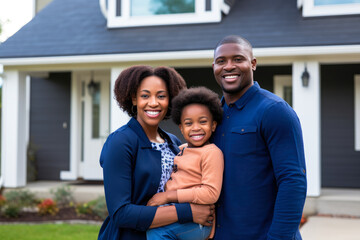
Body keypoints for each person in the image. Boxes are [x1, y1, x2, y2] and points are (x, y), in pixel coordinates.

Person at [98, 66, 214, 240]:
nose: (153, 102)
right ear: (134, 99)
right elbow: (121, 213)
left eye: (161, 96)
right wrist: (187, 212)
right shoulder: (120, 142)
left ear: (171, 100)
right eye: (145, 95)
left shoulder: (173, 143)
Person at [211, 35, 307, 239]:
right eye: (221, 61)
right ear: (214, 67)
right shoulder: (212, 117)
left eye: (238, 59)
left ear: (252, 64)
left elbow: (293, 181)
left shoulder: (274, 111)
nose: (228, 66)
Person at [146, 87, 224, 240]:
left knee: (156, 231)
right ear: (181, 128)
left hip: (198, 222)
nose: (196, 128)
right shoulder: (181, 150)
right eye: (189, 123)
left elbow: (210, 193)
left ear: (213, 125)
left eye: (203, 122)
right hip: (181, 214)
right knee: (149, 222)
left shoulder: (211, 152)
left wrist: (169, 196)